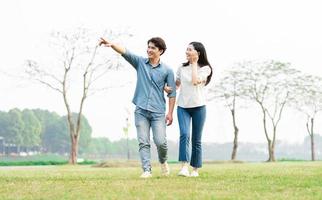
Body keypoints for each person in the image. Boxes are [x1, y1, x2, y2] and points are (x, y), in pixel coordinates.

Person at [99, 37, 176, 178]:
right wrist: (111, 44)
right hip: (141, 110)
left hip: (158, 112)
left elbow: (172, 94)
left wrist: (170, 113)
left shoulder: (167, 71)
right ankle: (147, 170)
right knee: (143, 142)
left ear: (161, 51)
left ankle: (163, 161)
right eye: (148, 46)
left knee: (160, 142)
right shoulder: (140, 63)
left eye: (153, 47)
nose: (149, 49)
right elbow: (126, 52)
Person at [166, 42, 212, 177]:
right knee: (184, 134)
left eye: (189, 50)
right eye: (186, 49)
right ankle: (184, 167)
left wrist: (193, 64)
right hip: (183, 107)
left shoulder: (205, 68)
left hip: (199, 107)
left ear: (197, 53)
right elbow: (177, 84)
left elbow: (195, 81)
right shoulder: (181, 67)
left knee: (196, 139)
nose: (186, 52)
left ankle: (195, 169)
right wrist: (169, 87)